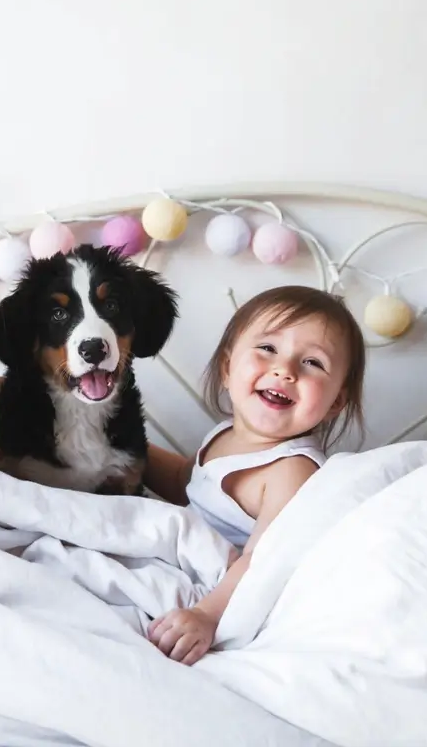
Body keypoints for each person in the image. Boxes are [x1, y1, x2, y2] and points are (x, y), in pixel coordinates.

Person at [142, 285, 367, 666]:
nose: (285, 370)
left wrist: (206, 616)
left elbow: (261, 562)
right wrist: (121, 448)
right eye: (268, 349)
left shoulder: (291, 469)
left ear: (335, 404)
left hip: (216, 591)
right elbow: (188, 481)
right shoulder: (226, 433)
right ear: (229, 369)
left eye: (312, 363)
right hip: (181, 557)